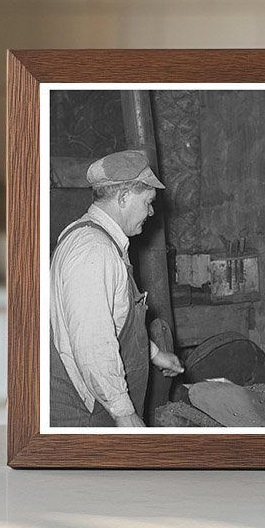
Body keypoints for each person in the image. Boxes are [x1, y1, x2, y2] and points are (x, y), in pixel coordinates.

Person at [49, 150, 183, 428]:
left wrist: (156, 355)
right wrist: (123, 411)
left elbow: (114, 320)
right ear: (123, 197)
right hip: (85, 412)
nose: (151, 211)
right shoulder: (94, 250)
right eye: (147, 202)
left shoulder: (98, 240)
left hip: (95, 403)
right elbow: (93, 341)